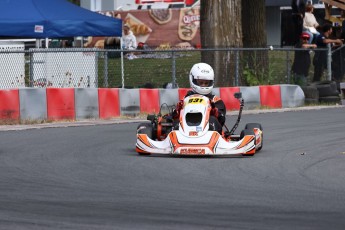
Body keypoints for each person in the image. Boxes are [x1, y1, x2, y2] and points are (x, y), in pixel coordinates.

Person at [172, 63, 226, 135]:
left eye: (206, 83)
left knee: (212, 120)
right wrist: (177, 110)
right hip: (186, 129)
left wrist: (213, 109)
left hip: (208, 131)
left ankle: (210, 142)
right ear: (193, 79)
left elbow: (221, 120)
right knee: (176, 123)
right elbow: (175, 116)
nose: (203, 85)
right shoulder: (186, 99)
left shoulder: (215, 100)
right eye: (201, 82)